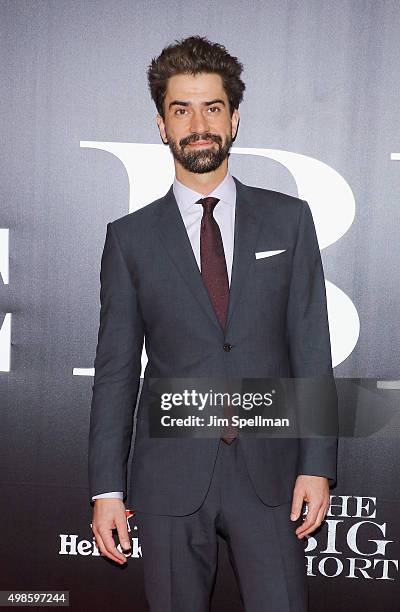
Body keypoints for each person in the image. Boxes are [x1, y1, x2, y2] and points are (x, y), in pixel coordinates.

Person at [88, 35, 338, 612]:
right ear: (161, 125)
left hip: (271, 473)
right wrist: (106, 489)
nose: (197, 124)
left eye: (211, 108)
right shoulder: (130, 239)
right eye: (182, 110)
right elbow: (117, 373)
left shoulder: (289, 220)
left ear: (234, 119)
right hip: (170, 473)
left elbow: (311, 348)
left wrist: (318, 465)